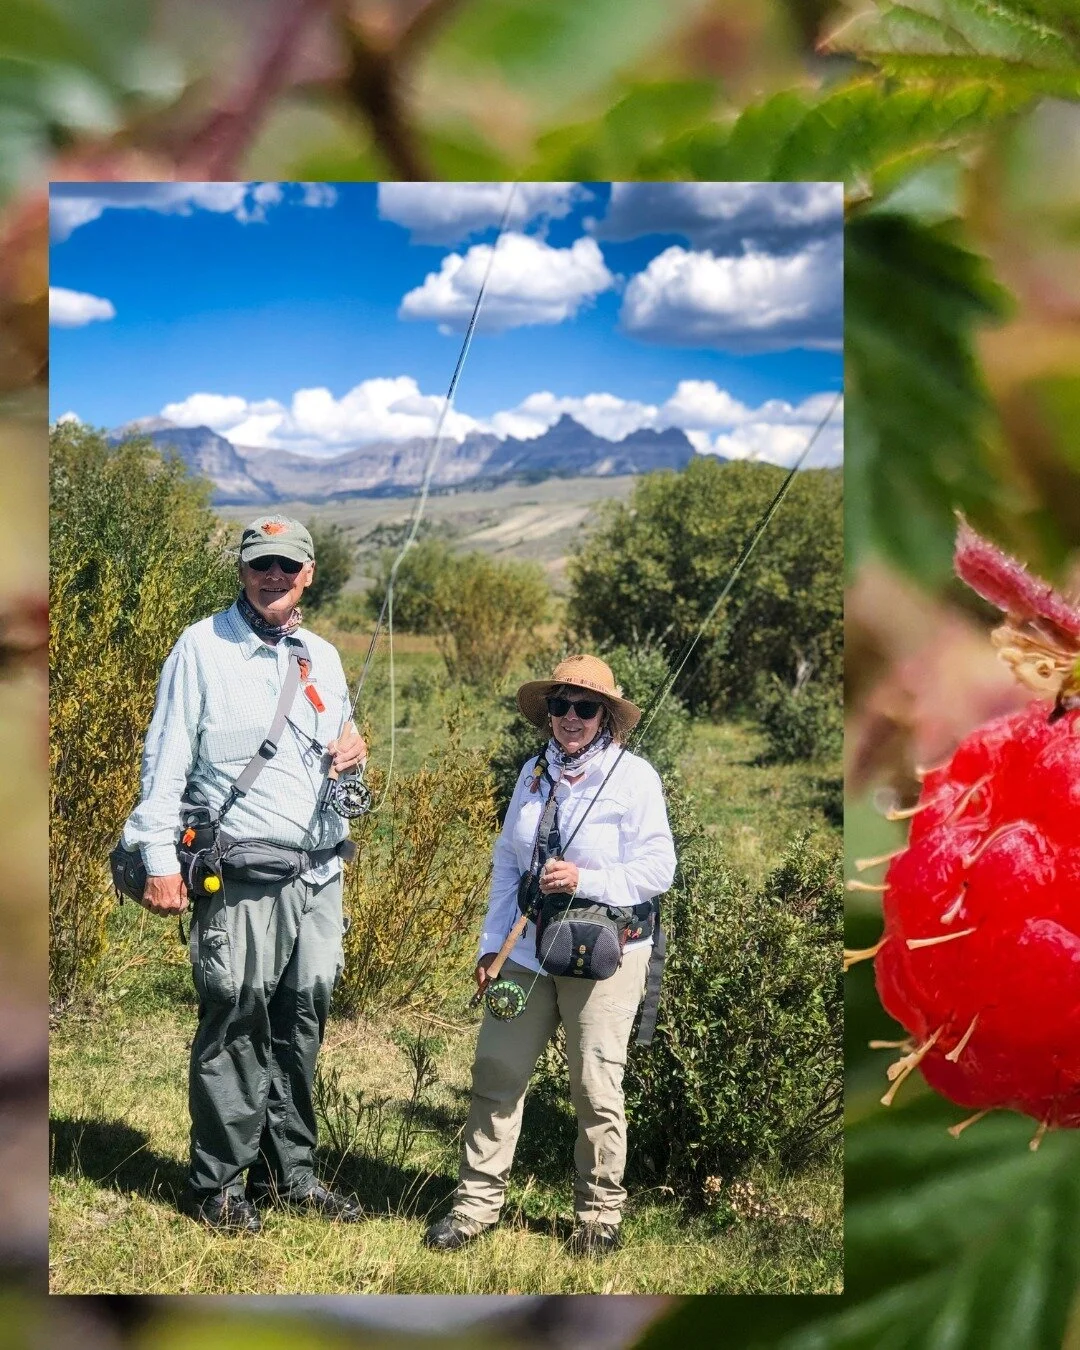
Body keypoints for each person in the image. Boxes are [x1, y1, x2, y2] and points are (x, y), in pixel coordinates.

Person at [120, 515, 367, 1233]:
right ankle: (219, 1187)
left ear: (309, 574)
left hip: (321, 873)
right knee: (235, 1020)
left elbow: (340, 771)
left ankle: (292, 1177)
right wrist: (160, 861)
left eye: (287, 566)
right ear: (242, 570)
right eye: (261, 564)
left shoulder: (322, 655)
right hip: (241, 875)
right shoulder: (200, 648)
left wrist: (353, 758)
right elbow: (162, 762)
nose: (273, 577)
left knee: (302, 1023)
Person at [424, 654, 676, 1257]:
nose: (570, 717)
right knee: (496, 1073)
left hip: (607, 956)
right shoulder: (532, 775)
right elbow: (508, 865)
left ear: (606, 718)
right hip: (526, 955)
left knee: (595, 1087)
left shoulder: (634, 778)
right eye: (561, 704)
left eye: (585, 707)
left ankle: (598, 1217)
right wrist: (491, 948)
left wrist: (584, 878)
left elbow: (658, 869)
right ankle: (475, 1207)